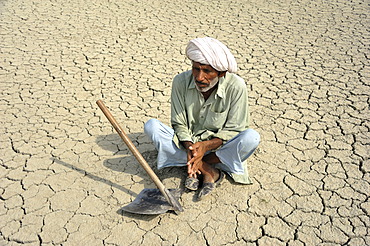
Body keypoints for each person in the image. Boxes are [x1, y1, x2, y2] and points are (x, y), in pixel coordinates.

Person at [144, 37, 260, 200]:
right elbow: (179, 123)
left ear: (221, 73)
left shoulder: (236, 86)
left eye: (207, 71)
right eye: (196, 69)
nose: (199, 77)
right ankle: (208, 169)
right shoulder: (180, 82)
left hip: (219, 149)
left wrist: (206, 146)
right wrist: (192, 149)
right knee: (152, 126)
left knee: (251, 138)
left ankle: (196, 164)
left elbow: (235, 128)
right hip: (188, 147)